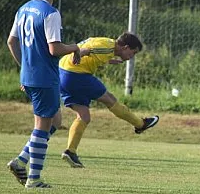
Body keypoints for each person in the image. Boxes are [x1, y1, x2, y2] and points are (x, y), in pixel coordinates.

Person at [6, 0, 81, 189]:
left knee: (55, 121)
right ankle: (34, 179)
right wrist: (75, 47)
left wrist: (25, 68)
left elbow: (12, 41)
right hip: (44, 77)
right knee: (42, 125)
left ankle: (21, 161)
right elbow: (54, 48)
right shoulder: (50, 12)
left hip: (30, 76)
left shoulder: (23, 9)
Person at [58, 33, 159, 168]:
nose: (132, 57)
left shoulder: (108, 46)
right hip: (76, 75)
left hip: (62, 74)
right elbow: (86, 50)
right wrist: (78, 55)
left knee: (84, 116)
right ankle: (140, 124)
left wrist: (108, 60)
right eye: (133, 53)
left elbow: (92, 50)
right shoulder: (106, 47)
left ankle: (70, 151)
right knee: (109, 99)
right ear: (126, 47)